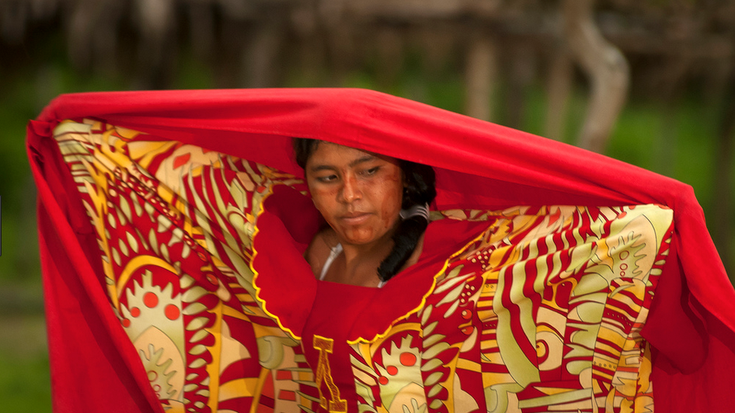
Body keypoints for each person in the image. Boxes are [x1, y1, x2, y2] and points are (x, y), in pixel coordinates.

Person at [27, 88, 735, 413]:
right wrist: (70, 129)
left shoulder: (460, 258)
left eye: (371, 172)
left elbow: (620, 238)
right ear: (304, 184)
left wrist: (663, 217)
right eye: (327, 177)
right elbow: (170, 201)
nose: (349, 196)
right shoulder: (279, 247)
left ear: (407, 179)